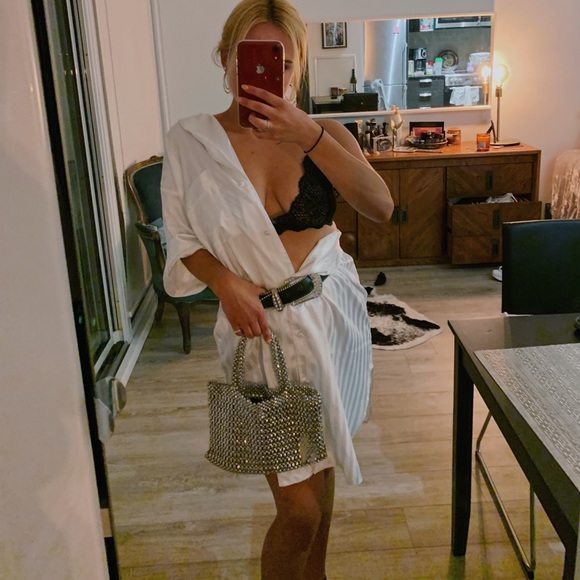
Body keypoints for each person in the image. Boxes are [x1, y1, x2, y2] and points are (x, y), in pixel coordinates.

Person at [160, 1, 393, 577]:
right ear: (225, 58)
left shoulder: (325, 134)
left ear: (297, 68)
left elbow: (381, 206)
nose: (270, 73)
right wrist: (224, 284)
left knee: (325, 454)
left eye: (284, 62)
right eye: (253, 57)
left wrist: (310, 135)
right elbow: (182, 237)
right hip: (260, 331)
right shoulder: (191, 142)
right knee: (298, 511)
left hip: (331, 318)